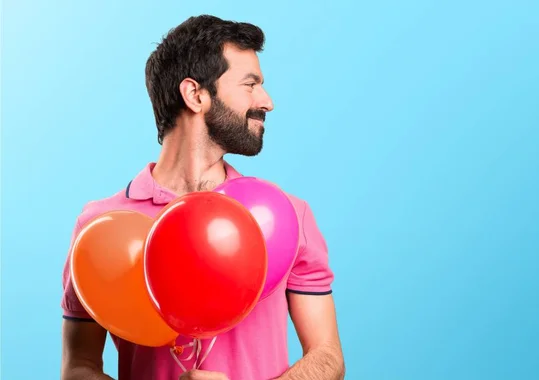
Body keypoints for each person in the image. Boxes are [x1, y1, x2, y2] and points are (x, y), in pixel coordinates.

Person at [60, 14, 344, 380]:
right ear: (196, 95)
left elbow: (328, 357)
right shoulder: (98, 227)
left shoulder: (285, 216)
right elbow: (78, 366)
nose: (267, 101)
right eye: (250, 84)